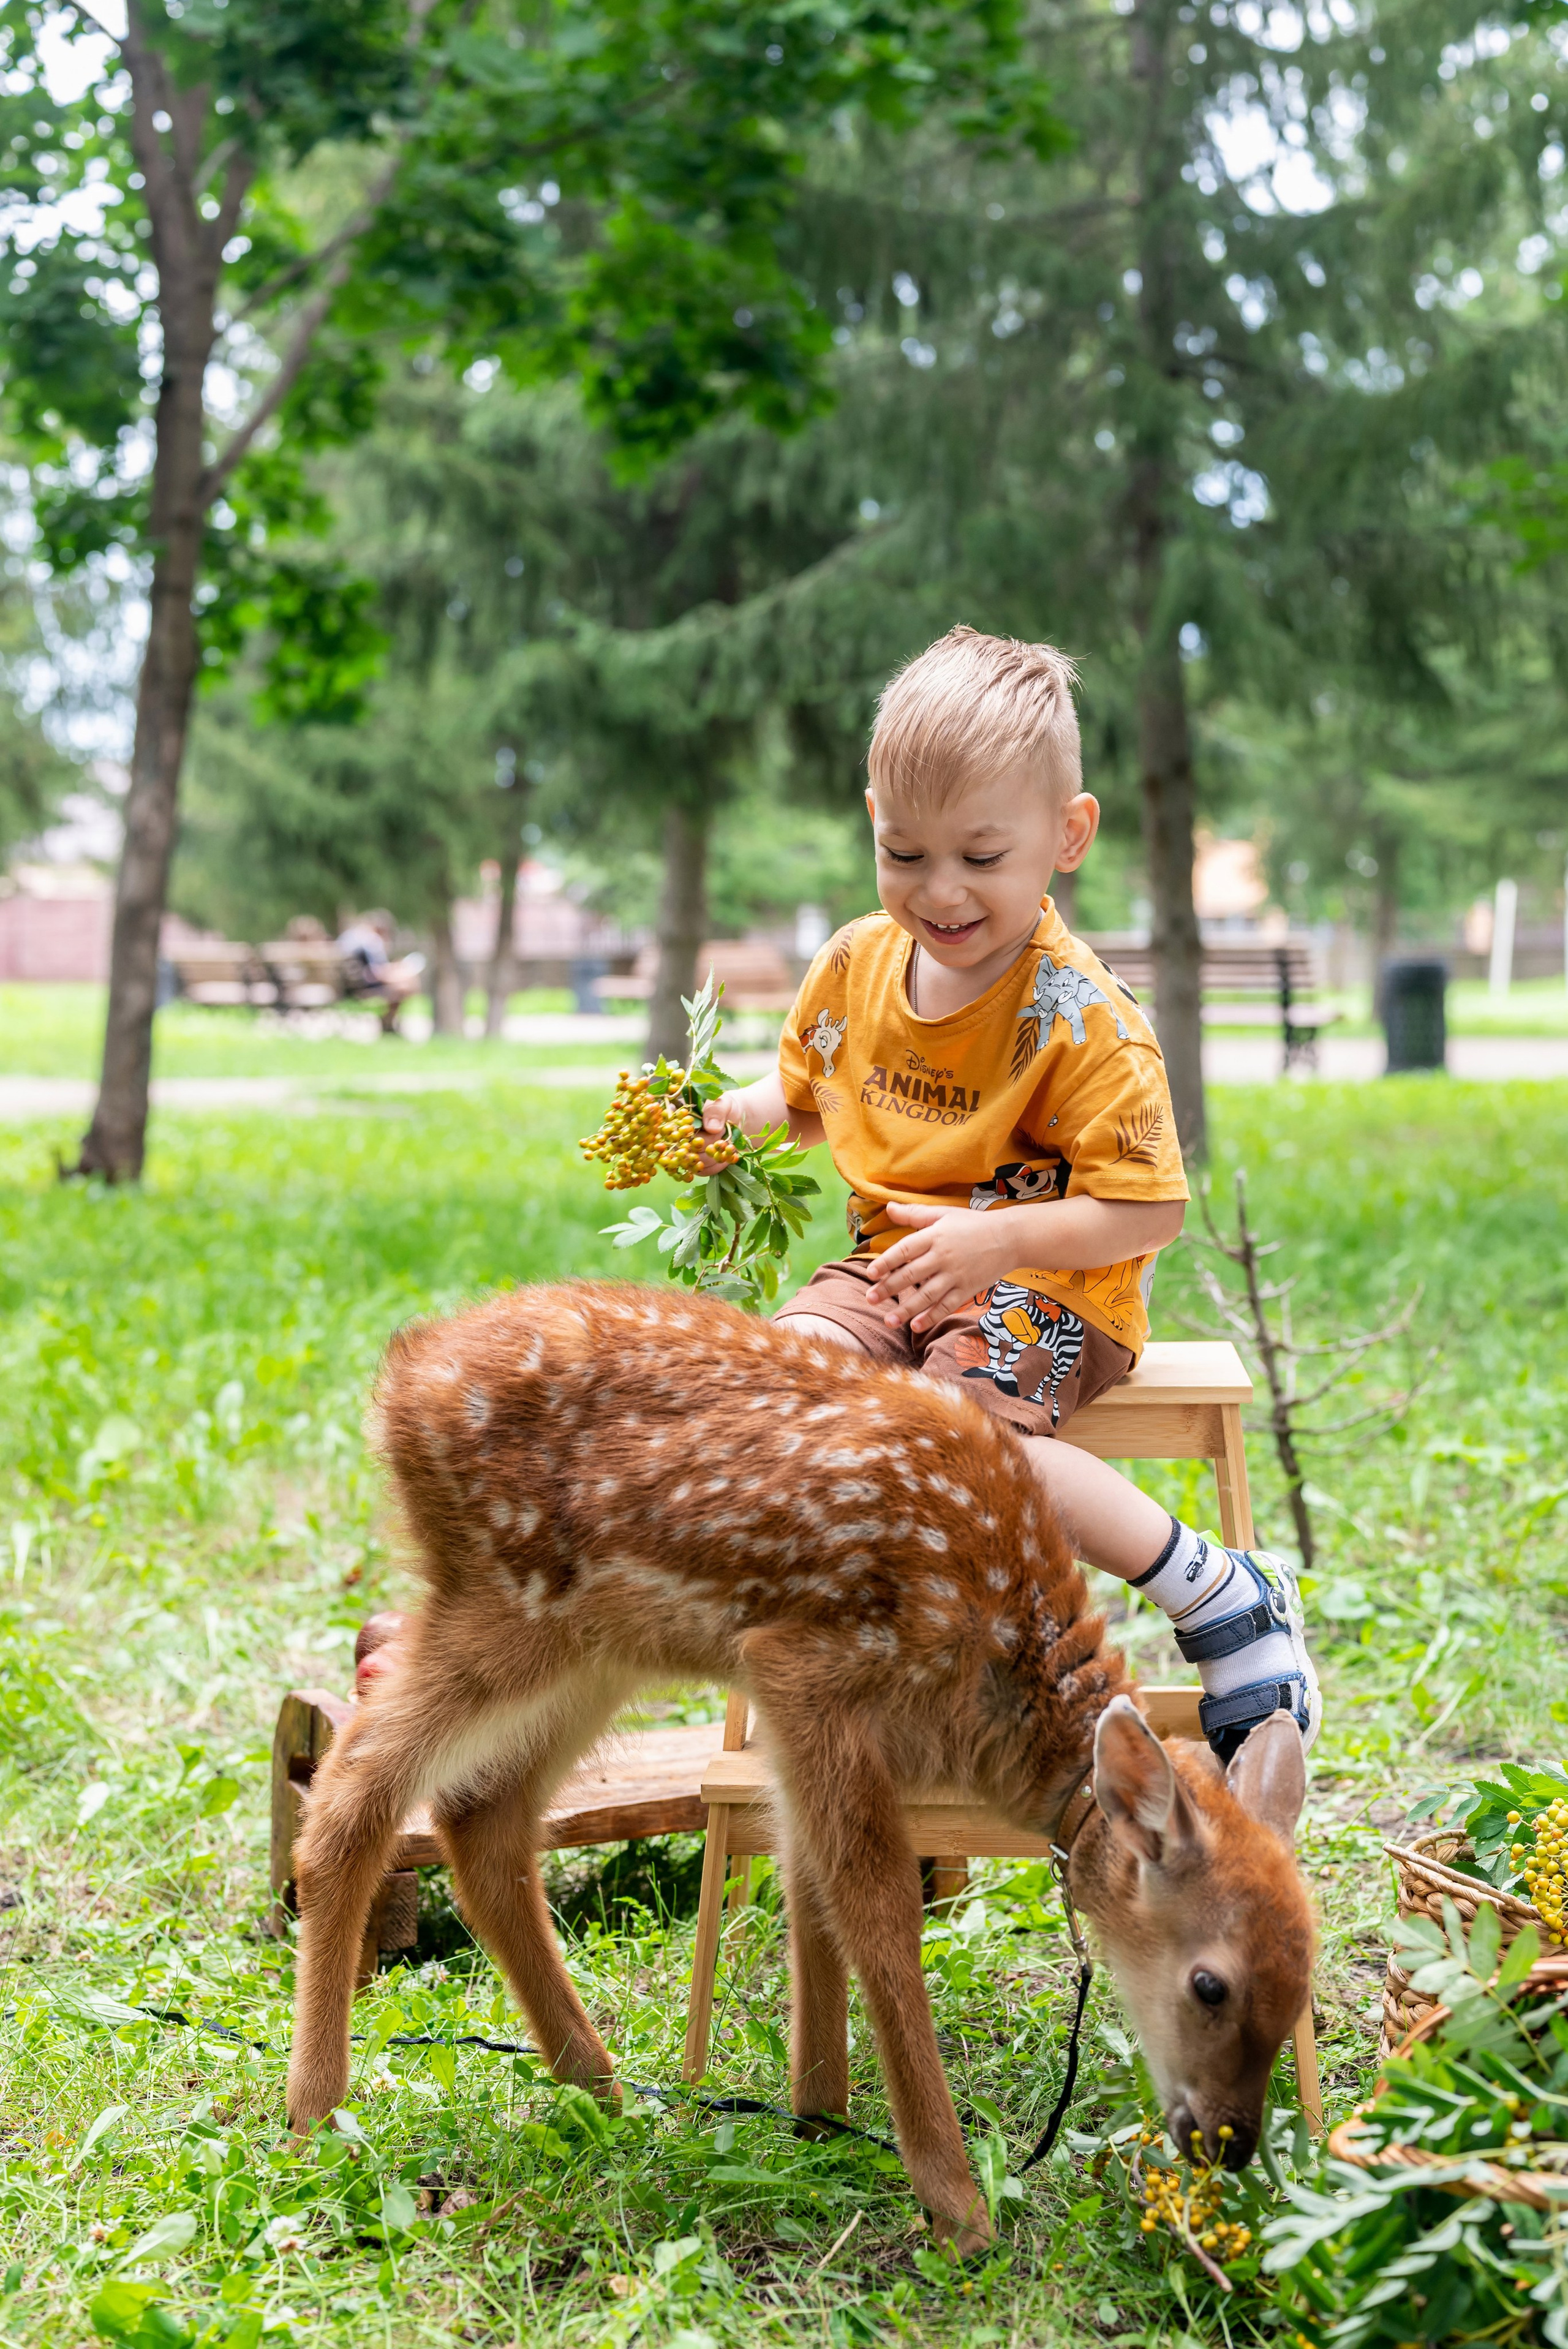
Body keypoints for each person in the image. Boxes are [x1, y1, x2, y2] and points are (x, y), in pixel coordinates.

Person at [701, 626, 1317, 1761]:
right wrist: (721, 1121)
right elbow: (804, 1094)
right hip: (892, 1269)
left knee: (951, 1444)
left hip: (1049, 1283)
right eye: (904, 852)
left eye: (982, 858)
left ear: (1065, 835)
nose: (939, 891)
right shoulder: (853, 967)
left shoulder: (1082, 1015)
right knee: (778, 1397)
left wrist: (999, 1240)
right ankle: (867, 1650)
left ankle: (1222, 1592)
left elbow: (1150, 1210)